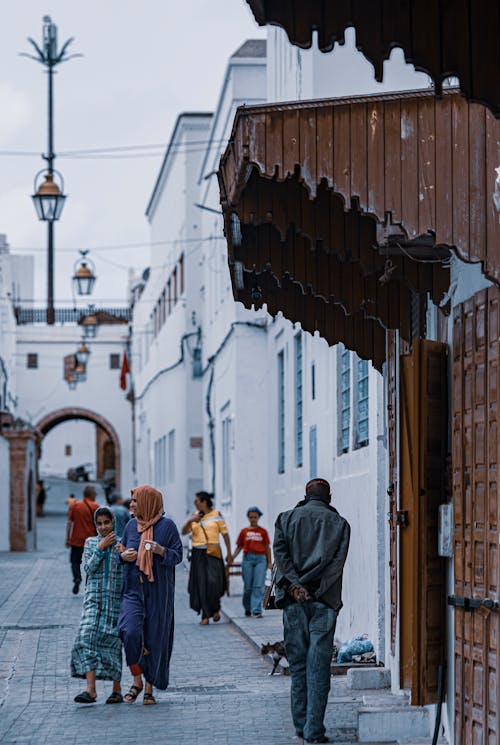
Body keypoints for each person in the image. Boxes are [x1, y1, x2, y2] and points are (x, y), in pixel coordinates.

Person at [273, 478, 350, 744]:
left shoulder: (285, 519)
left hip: (294, 603)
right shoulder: (340, 525)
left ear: (305, 495)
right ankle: (314, 731)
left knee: (298, 667)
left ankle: (299, 726)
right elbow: (335, 566)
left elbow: (280, 558)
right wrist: (315, 590)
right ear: (329, 497)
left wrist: (296, 586)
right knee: (318, 669)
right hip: (324, 603)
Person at [117, 485, 182, 705]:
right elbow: (122, 550)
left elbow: (178, 555)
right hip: (133, 592)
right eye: (131, 500)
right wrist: (123, 556)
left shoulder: (167, 526)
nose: (131, 504)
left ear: (148, 502)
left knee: (154, 639)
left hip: (158, 594)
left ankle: (148, 687)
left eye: (135, 500)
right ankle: (136, 679)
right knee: (130, 632)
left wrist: (160, 551)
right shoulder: (129, 526)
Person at [71, 506, 124, 704]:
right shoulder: (91, 542)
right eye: (99, 523)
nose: (103, 527)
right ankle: (90, 689)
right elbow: (88, 568)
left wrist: (123, 553)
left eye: (107, 523)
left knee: (113, 641)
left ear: (113, 523)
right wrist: (101, 548)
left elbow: (128, 569)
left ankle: (116, 689)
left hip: (115, 601)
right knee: (86, 635)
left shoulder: (121, 543)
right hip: (93, 599)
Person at [182, 491, 231, 625]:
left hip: (213, 553)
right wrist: (190, 521)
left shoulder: (216, 515)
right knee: (201, 584)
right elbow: (184, 532)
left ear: (204, 501)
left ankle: (215, 609)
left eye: (197, 501)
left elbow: (225, 535)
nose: (195, 503)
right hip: (198, 554)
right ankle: (205, 615)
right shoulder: (195, 516)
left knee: (214, 582)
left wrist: (229, 553)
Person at [232, 507, 272, 618]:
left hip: (261, 559)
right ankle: (248, 607)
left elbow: (267, 547)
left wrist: (269, 562)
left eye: (255, 517)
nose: (253, 519)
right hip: (248, 559)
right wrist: (232, 557)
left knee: (258, 585)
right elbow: (239, 546)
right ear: (248, 517)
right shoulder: (244, 531)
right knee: (248, 586)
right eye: (251, 517)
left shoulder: (263, 532)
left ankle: (257, 610)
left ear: (258, 517)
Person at [66, 486, 99, 595]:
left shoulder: (76, 506)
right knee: (92, 563)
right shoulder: (96, 507)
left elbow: (69, 523)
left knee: (74, 561)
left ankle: (77, 578)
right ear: (91, 494)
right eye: (95, 493)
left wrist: (67, 539)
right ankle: (89, 584)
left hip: (76, 539)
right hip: (92, 540)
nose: (96, 495)